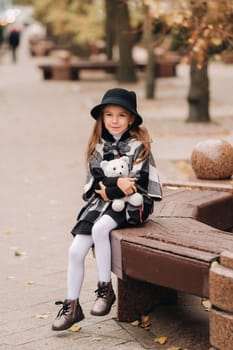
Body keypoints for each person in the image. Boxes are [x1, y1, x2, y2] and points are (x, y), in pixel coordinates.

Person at [51, 88, 163, 331]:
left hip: (133, 205)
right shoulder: (97, 147)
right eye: (109, 115)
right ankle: (72, 306)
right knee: (75, 251)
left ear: (131, 119)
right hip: (100, 204)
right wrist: (112, 187)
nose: (114, 121)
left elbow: (134, 185)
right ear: (102, 117)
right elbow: (94, 184)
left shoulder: (139, 146)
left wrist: (108, 189)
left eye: (121, 115)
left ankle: (105, 289)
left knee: (101, 229)